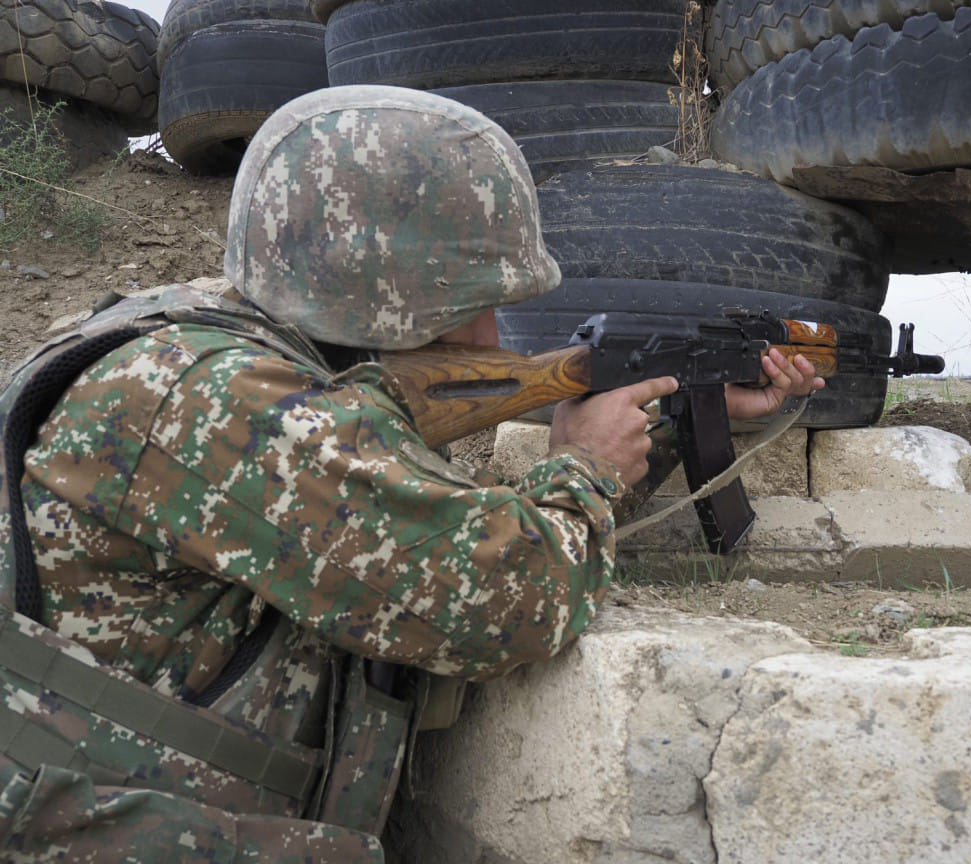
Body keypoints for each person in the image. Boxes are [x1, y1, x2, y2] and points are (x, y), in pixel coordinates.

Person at [0, 85, 822, 861]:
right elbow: (504, 599)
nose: (494, 328)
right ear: (391, 288)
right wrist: (583, 468)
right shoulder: (224, 401)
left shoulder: (193, 335)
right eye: (475, 300)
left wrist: (682, 406)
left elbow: (394, 493)